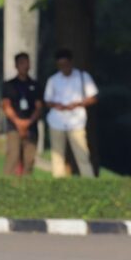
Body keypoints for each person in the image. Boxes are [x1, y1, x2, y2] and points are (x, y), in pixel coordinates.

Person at [43, 49, 98, 178]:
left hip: (77, 121)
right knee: (57, 154)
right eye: (60, 65)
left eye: (65, 64)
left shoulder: (83, 77)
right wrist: (58, 106)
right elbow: (47, 100)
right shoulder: (53, 80)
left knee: (82, 153)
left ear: (71, 63)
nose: (64, 68)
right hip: (57, 120)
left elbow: (93, 97)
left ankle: (88, 178)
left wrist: (77, 104)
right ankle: (59, 179)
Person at [2, 52, 42, 175]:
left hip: (31, 127)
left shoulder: (35, 85)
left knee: (29, 160)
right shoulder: (9, 85)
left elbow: (39, 107)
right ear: (16, 65)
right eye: (22, 63)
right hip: (14, 127)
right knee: (13, 157)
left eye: (27, 62)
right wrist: (19, 123)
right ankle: (6, 186)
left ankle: (26, 188)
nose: (25, 65)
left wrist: (28, 122)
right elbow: (6, 105)